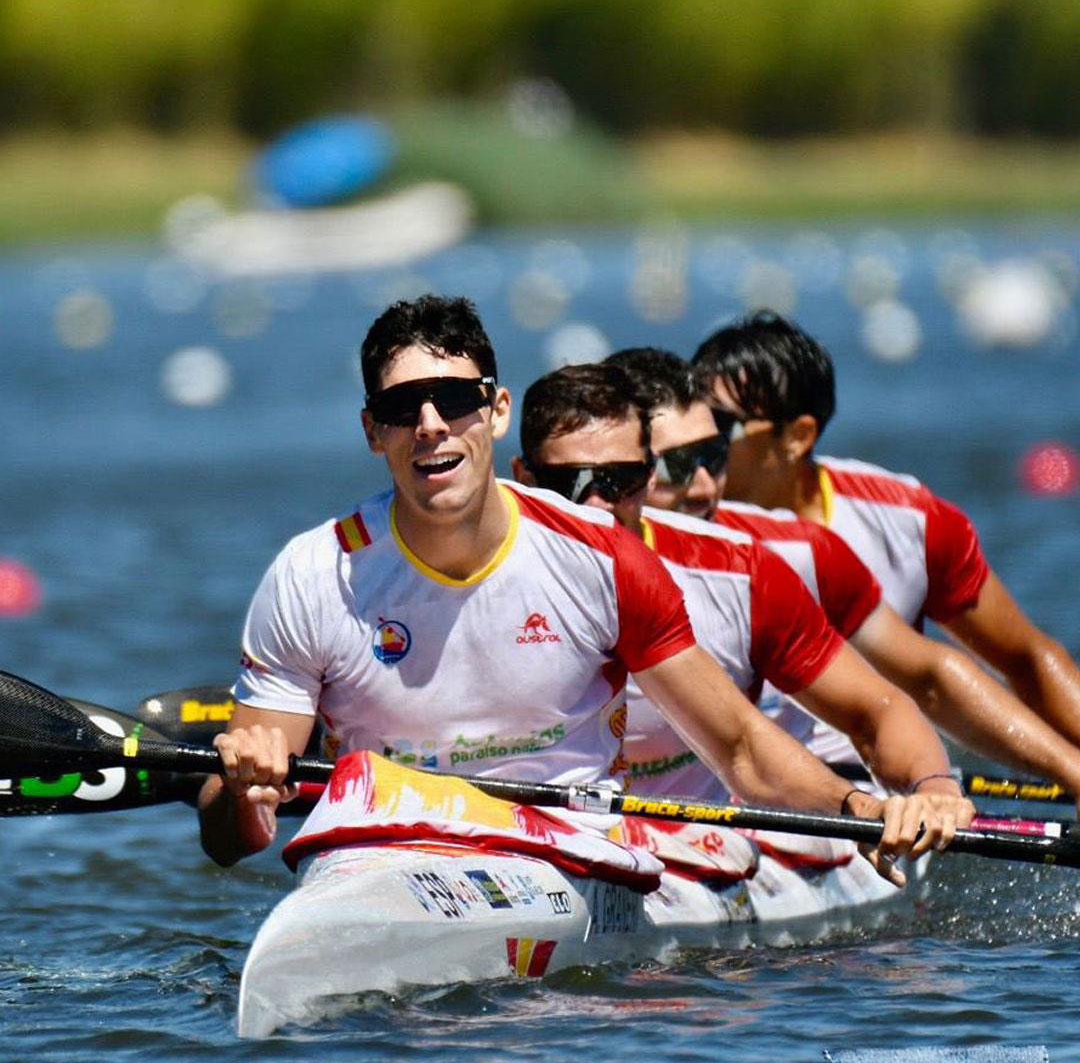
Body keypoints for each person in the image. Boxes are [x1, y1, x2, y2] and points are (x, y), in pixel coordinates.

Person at [197, 294, 942, 883]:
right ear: (372, 431)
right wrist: (239, 792)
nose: (428, 426)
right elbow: (231, 843)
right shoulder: (310, 576)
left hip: (570, 855)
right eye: (400, 410)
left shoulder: (600, 559)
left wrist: (859, 808)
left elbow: (741, 753)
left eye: (453, 400)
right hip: (382, 857)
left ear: (495, 411)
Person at [511, 361, 973, 861]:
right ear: (522, 477)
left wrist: (934, 790)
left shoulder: (740, 571)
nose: (596, 507)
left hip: (700, 850)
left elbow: (876, 712)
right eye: (569, 483)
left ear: (647, 475)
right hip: (533, 842)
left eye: (619, 480)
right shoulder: (468, 567)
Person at [606, 345, 1080, 797]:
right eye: (680, 465)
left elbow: (932, 679)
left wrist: (1064, 770)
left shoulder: (800, 551)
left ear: (799, 435)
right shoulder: (553, 544)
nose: (706, 485)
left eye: (715, 451)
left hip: (802, 809)